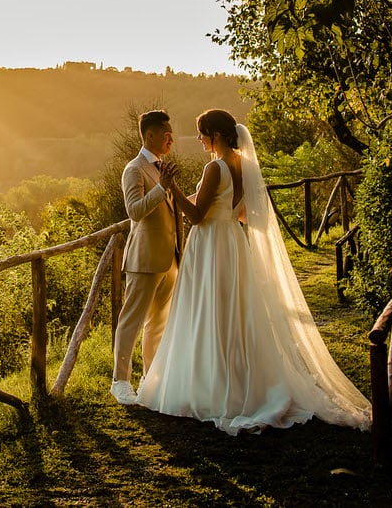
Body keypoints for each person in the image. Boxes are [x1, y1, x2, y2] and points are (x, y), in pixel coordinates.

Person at [135, 108, 371, 433]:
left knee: (209, 313)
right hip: (231, 243)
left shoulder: (214, 167)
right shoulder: (242, 165)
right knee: (231, 315)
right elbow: (240, 211)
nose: (199, 139)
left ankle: (212, 386)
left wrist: (170, 186)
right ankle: (233, 378)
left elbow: (197, 216)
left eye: (202, 133)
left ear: (216, 135)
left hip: (210, 246)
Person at [110, 109, 181, 405]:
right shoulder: (134, 169)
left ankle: (150, 377)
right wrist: (162, 188)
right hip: (144, 257)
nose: (171, 140)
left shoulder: (162, 167)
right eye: (166, 135)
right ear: (149, 135)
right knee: (132, 321)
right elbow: (135, 211)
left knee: (158, 323)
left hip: (169, 259)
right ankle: (120, 381)